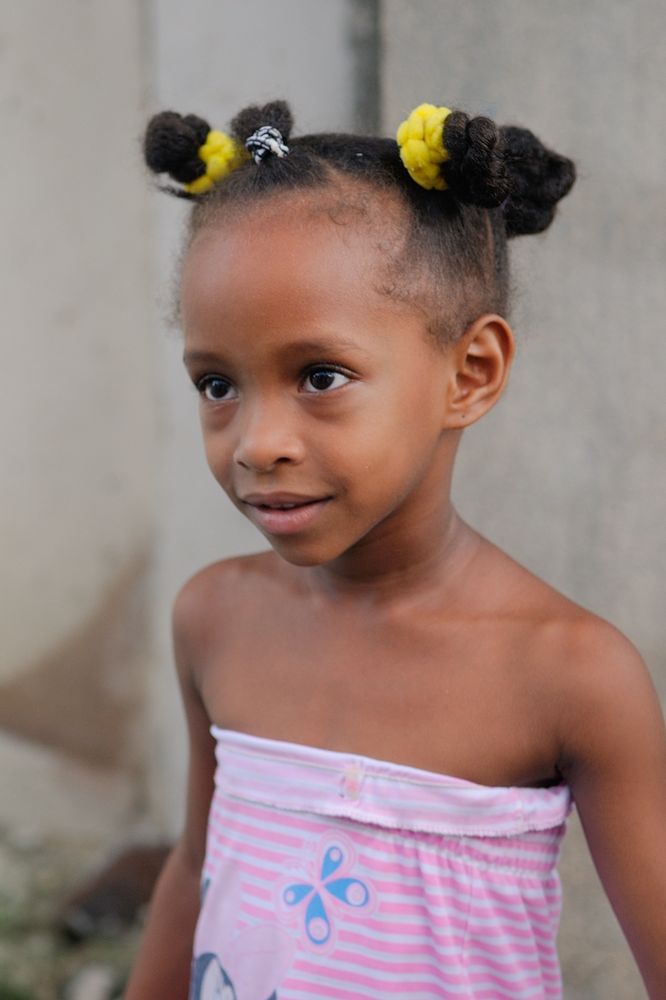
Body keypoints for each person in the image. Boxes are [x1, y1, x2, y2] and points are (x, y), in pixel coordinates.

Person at [125, 99, 666, 999]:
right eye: (217, 383)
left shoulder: (569, 674)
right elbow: (195, 868)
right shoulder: (214, 619)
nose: (257, 441)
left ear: (470, 373)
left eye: (320, 377)